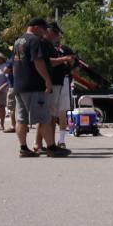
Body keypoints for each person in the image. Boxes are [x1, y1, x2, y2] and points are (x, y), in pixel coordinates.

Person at [11, 17, 61, 157]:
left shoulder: (18, 41)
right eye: (44, 29)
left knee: (21, 119)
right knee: (43, 117)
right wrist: (47, 80)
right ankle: (51, 148)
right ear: (36, 27)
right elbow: (38, 62)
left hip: (20, 86)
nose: (45, 32)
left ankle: (23, 148)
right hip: (34, 86)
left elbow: (14, 64)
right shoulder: (35, 41)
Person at [45, 22, 76, 152]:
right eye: (56, 33)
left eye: (58, 34)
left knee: (62, 110)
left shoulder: (66, 49)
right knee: (49, 112)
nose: (58, 36)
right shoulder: (46, 46)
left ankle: (61, 140)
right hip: (51, 80)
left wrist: (71, 61)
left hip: (64, 79)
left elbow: (74, 65)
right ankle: (47, 142)